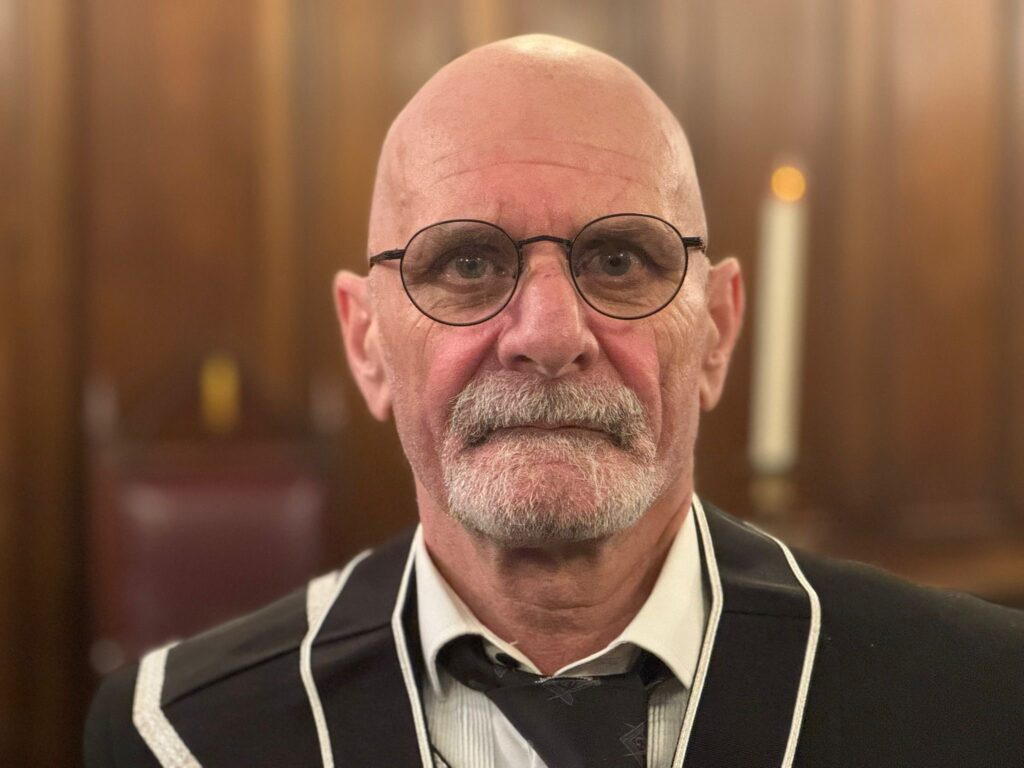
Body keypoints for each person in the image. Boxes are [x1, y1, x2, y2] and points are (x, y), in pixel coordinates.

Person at [85, 34, 1023, 768]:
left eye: (618, 260)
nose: (547, 333)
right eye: (467, 263)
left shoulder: (977, 702)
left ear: (717, 330)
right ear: (367, 342)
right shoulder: (181, 738)